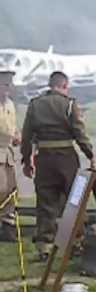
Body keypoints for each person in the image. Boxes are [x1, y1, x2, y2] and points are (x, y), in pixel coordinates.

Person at [21, 71, 95, 259]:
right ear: (64, 85)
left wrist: (26, 159)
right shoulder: (69, 104)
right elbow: (79, 132)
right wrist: (90, 153)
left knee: (46, 201)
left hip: (44, 158)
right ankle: (76, 242)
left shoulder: (35, 104)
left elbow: (27, 135)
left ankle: (44, 246)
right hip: (66, 159)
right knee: (75, 200)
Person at [0, 67, 20, 243]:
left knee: (11, 190)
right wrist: (10, 136)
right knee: (0, 189)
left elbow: (13, 125)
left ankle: (8, 227)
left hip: (8, 153)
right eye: (5, 84)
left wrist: (17, 135)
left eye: (10, 84)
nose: (8, 87)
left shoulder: (10, 104)